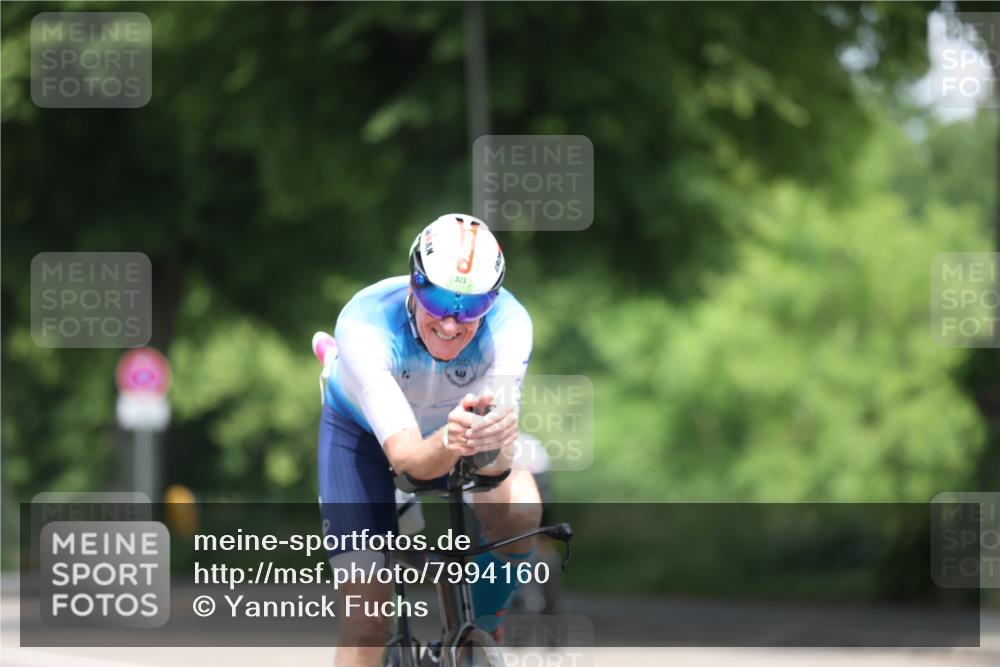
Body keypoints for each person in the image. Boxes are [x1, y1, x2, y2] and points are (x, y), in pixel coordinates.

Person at [316, 213, 541, 667]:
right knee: (366, 620)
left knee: (521, 510)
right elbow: (406, 460)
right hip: (363, 437)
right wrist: (454, 440)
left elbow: (495, 465)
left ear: (492, 302)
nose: (452, 323)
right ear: (414, 285)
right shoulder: (365, 323)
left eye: (472, 307)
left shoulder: (511, 326)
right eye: (438, 299)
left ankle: (482, 620)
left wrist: (492, 446)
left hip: (453, 432)